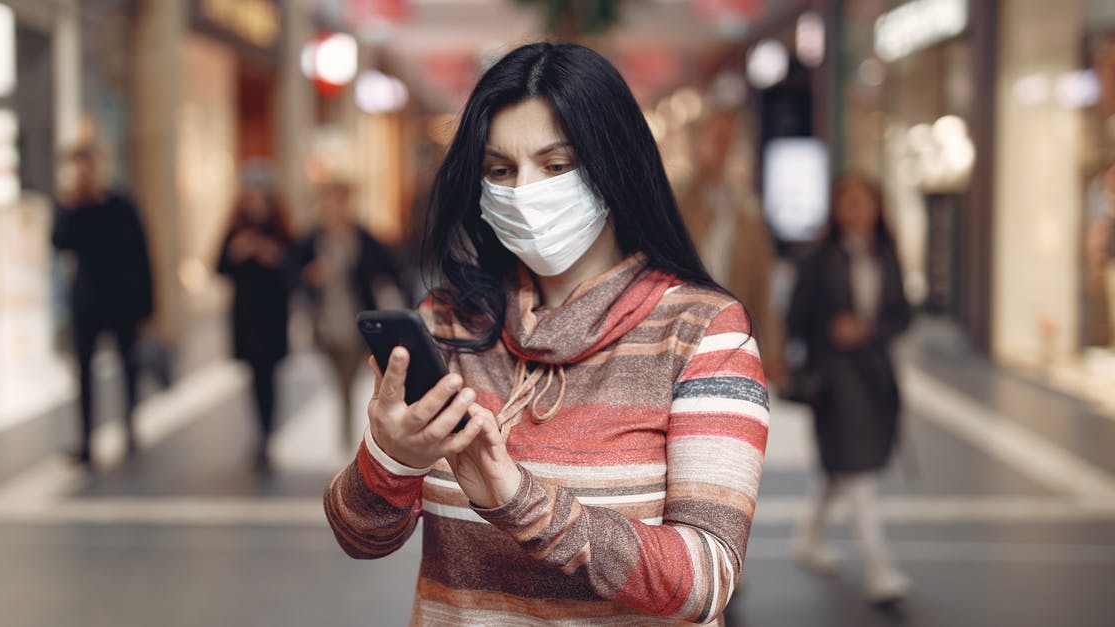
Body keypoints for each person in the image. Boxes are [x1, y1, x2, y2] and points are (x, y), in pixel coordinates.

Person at [324, 43, 769, 625]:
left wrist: (520, 501)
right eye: (500, 170)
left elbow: (705, 580)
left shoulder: (704, 332)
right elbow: (362, 538)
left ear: (614, 165)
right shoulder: (448, 324)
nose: (525, 191)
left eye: (557, 166)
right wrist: (391, 457)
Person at [786, 172, 912, 604]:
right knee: (858, 473)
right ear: (836, 208)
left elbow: (902, 316)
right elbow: (796, 317)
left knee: (839, 465)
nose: (856, 207)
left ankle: (806, 537)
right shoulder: (819, 259)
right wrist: (824, 338)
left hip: (875, 375)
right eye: (848, 199)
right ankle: (879, 568)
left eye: (865, 199)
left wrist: (869, 330)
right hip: (835, 377)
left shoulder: (887, 256)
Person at [51, 144, 154, 466]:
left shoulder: (121, 204)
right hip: (88, 301)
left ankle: (129, 426)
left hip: (122, 299)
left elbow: (141, 254)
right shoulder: (73, 208)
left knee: (129, 364)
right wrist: (70, 205)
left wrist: (148, 304)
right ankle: (86, 440)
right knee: (83, 371)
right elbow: (58, 242)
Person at [294, 180, 408, 450]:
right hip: (326, 323)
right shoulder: (312, 240)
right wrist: (308, 277)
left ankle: (361, 437)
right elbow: (292, 274)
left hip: (360, 323)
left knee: (362, 382)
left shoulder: (364, 239)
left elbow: (393, 271)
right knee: (342, 382)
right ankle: (351, 439)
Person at [679, 103, 784, 381]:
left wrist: (773, 350)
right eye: (713, 136)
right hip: (684, 337)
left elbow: (764, 286)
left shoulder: (746, 209)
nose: (720, 146)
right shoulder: (675, 200)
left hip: (735, 336)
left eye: (727, 137)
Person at [216, 161, 293, 472]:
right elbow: (219, 266)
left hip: (272, 314)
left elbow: (293, 267)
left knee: (269, 376)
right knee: (254, 376)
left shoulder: (280, 228)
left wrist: (269, 254)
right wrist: (237, 252)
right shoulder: (235, 227)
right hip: (246, 316)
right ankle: (261, 433)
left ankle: (267, 433)